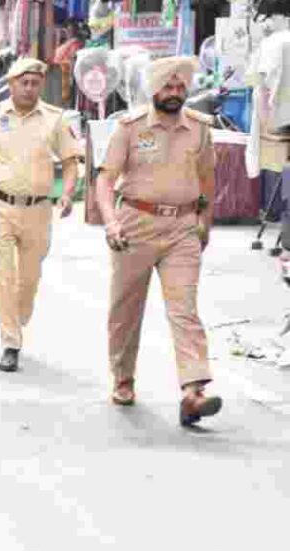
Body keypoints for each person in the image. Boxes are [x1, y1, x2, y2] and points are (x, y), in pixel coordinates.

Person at [95, 56, 223, 427]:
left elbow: (207, 180)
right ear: (153, 90)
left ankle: (193, 391)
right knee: (125, 310)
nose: (175, 93)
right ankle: (122, 377)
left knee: (184, 309)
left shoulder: (199, 129)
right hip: (135, 224)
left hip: (182, 226)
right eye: (167, 87)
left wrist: (205, 222)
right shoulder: (130, 127)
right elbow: (105, 180)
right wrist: (111, 222)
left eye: (181, 87)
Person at [0, 58, 80, 373]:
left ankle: (17, 317)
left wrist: (66, 194)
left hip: (39, 209)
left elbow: (70, 161)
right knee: (3, 277)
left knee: (28, 280)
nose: (29, 88)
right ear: (11, 84)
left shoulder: (54, 119)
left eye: (35, 83)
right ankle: (10, 341)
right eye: (23, 82)